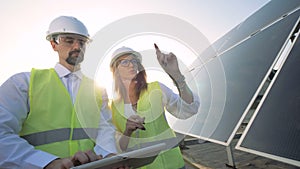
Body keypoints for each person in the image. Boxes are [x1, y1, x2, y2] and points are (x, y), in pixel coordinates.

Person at [0, 16, 119, 169]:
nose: (77, 46)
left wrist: (107, 156)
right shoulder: (24, 84)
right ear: (53, 45)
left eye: (82, 42)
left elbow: (105, 130)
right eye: (69, 41)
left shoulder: (97, 90)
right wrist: (47, 162)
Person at [109, 45, 200, 169]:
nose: (131, 65)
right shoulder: (113, 107)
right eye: (125, 62)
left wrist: (177, 76)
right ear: (115, 69)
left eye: (134, 61)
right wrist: (127, 131)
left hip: (173, 165)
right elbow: (120, 147)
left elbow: (187, 109)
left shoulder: (156, 89)